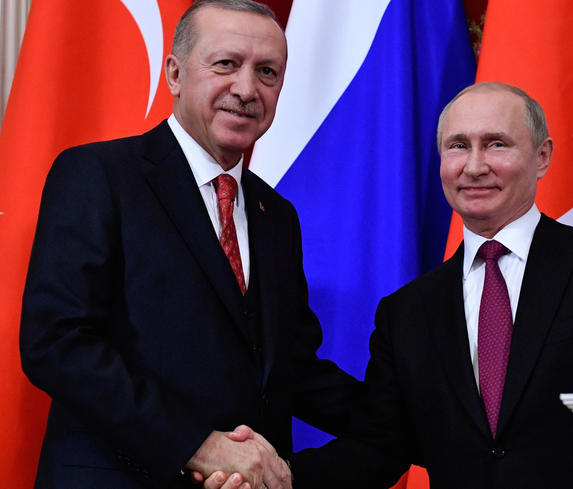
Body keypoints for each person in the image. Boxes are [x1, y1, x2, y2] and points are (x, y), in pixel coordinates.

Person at [210, 82, 573, 489]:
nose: (473, 166)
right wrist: (277, 480)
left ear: (542, 157)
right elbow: (380, 446)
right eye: (457, 146)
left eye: (496, 143)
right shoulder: (408, 312)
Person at [19, 2, 361, 488]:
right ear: (175, 74)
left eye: (267, 72)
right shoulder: (98, 175)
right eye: (226, 64)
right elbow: (56, 343)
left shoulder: (277, 216)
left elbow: (290, 369)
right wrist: (198, 444)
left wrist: (420, 420)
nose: (246, 89)